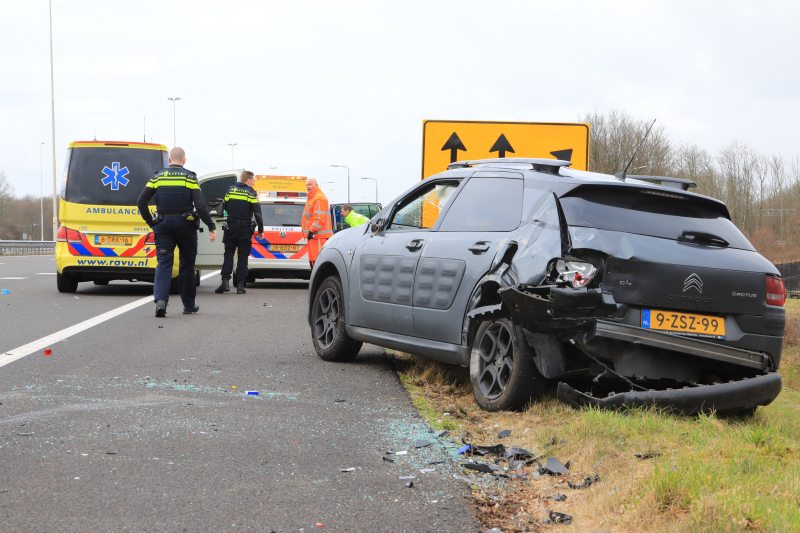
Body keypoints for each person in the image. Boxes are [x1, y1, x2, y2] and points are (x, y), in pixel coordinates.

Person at [137, 147, 216, 317]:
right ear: (184, 160)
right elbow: (201, 206)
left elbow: (141, 201)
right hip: (185, 226)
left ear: (169, 161)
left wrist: (151, 222)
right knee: (187, 265)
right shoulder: (189, 177)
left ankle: (161, 302)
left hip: (163, 225)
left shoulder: (157, 177)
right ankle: (188, 305)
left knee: (164, 263)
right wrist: (211, 226)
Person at [215, 170, 264, 294]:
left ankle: (225, 282)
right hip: (244, 228)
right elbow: (258, 214)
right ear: (248, 180)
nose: (253, 183)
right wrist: (261, 230)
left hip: (230, 227)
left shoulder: (230, 190)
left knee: (228, 254)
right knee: (242, 256)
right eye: (253, 181)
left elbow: (225, 206)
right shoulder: (251, 193)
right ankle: (240, 286)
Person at [301, 178, 332, 268]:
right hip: (314, 237)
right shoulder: (312, 197)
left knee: (318, 263)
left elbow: (319, 218)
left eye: (310, 184)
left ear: (316, 185)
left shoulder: (318, 198)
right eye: (306, 185)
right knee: (314, 262)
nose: (308, 186)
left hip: (318, 237)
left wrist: (311, 230)